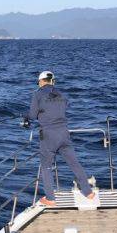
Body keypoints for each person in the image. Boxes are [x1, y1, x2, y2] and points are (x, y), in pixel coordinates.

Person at [23, 71, 95, 206]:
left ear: (41, 81)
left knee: (46, 167)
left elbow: (32, 115)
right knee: (74, 163)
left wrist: (25, 116)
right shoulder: (62, 94)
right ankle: (88, 192)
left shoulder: (37, 94)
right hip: (64, 133)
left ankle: (50, 199)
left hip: (49, 135)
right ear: (52, 81)